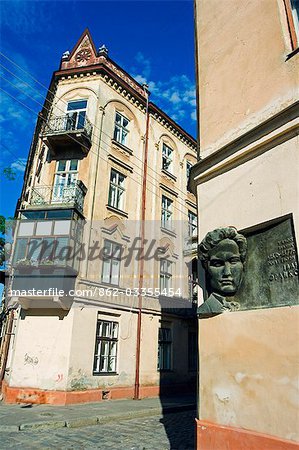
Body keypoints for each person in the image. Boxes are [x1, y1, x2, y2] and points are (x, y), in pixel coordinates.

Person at [197, 227, 247, 318]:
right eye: (217, 264)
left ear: (243, 264)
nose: (227, 272)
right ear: (207, 268)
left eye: (233, 261)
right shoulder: (207, 308)